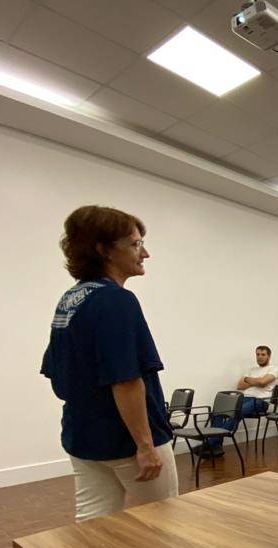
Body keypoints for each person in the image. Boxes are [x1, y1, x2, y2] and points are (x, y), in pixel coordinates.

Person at [41, 205, 177, 521]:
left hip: (83, 436)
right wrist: (145, 445)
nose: (145, 253)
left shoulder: (71, 300)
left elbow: (56, 372)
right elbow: (126, 379)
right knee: (163, 522)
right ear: (103, 250)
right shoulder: (117, 300)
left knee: (93, 525)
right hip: (125, 441)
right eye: (135, 244)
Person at [198, 346, 278, 456]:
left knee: (236, 412)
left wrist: (248, 380)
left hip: (260, 401)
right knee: (218, 411)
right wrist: (255, 381)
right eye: (258, 354)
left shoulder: (273, 369)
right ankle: (216, 447)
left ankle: (209, 442)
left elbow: (263, 382)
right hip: (244, 398)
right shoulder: (251, 370)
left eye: (263, 354)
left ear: (269, 356)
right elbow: (240, 386)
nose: (260, 357)